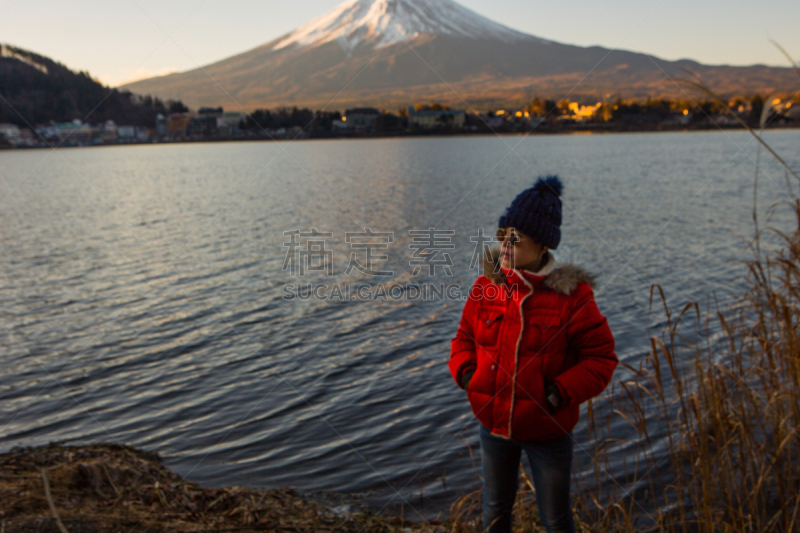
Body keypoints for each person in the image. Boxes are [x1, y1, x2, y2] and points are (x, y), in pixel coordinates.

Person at [449, 176, 617, 533]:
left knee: (555, 519)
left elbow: (601, 359)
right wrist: (468, 374)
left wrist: (557, 393)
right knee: (495, 511)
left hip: (548, 429)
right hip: (493, 424)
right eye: (503, 235)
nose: (505, 245)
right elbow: (463, 337)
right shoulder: (487, 287)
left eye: (516, 238)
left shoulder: (574, 297)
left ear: (542, 246)